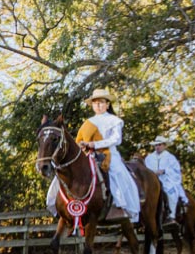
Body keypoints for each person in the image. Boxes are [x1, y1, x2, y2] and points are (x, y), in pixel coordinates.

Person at [46, 88, 140, 222]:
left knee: (117, 174)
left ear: (107, 104)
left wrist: (94, 144)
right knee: (64, 173)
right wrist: (83, 145)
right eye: (95, 103)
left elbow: (116, 139)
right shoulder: (87, 123)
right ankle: (56, 203)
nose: (98, 105)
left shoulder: (115, 120)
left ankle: (119, 206)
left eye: (101, 102)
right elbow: (78, 140)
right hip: (87, 154)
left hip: (109, 154)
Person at [145, 135, 185, 221]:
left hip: (166, 179)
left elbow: (176, 171)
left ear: (164, 145)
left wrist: (164, 171)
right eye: (156, 145)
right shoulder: (149, 158)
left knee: (170, 192)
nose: (157, 147)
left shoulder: (170, 158)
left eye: (160, 145)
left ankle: (171, 215)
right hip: (152, 180)